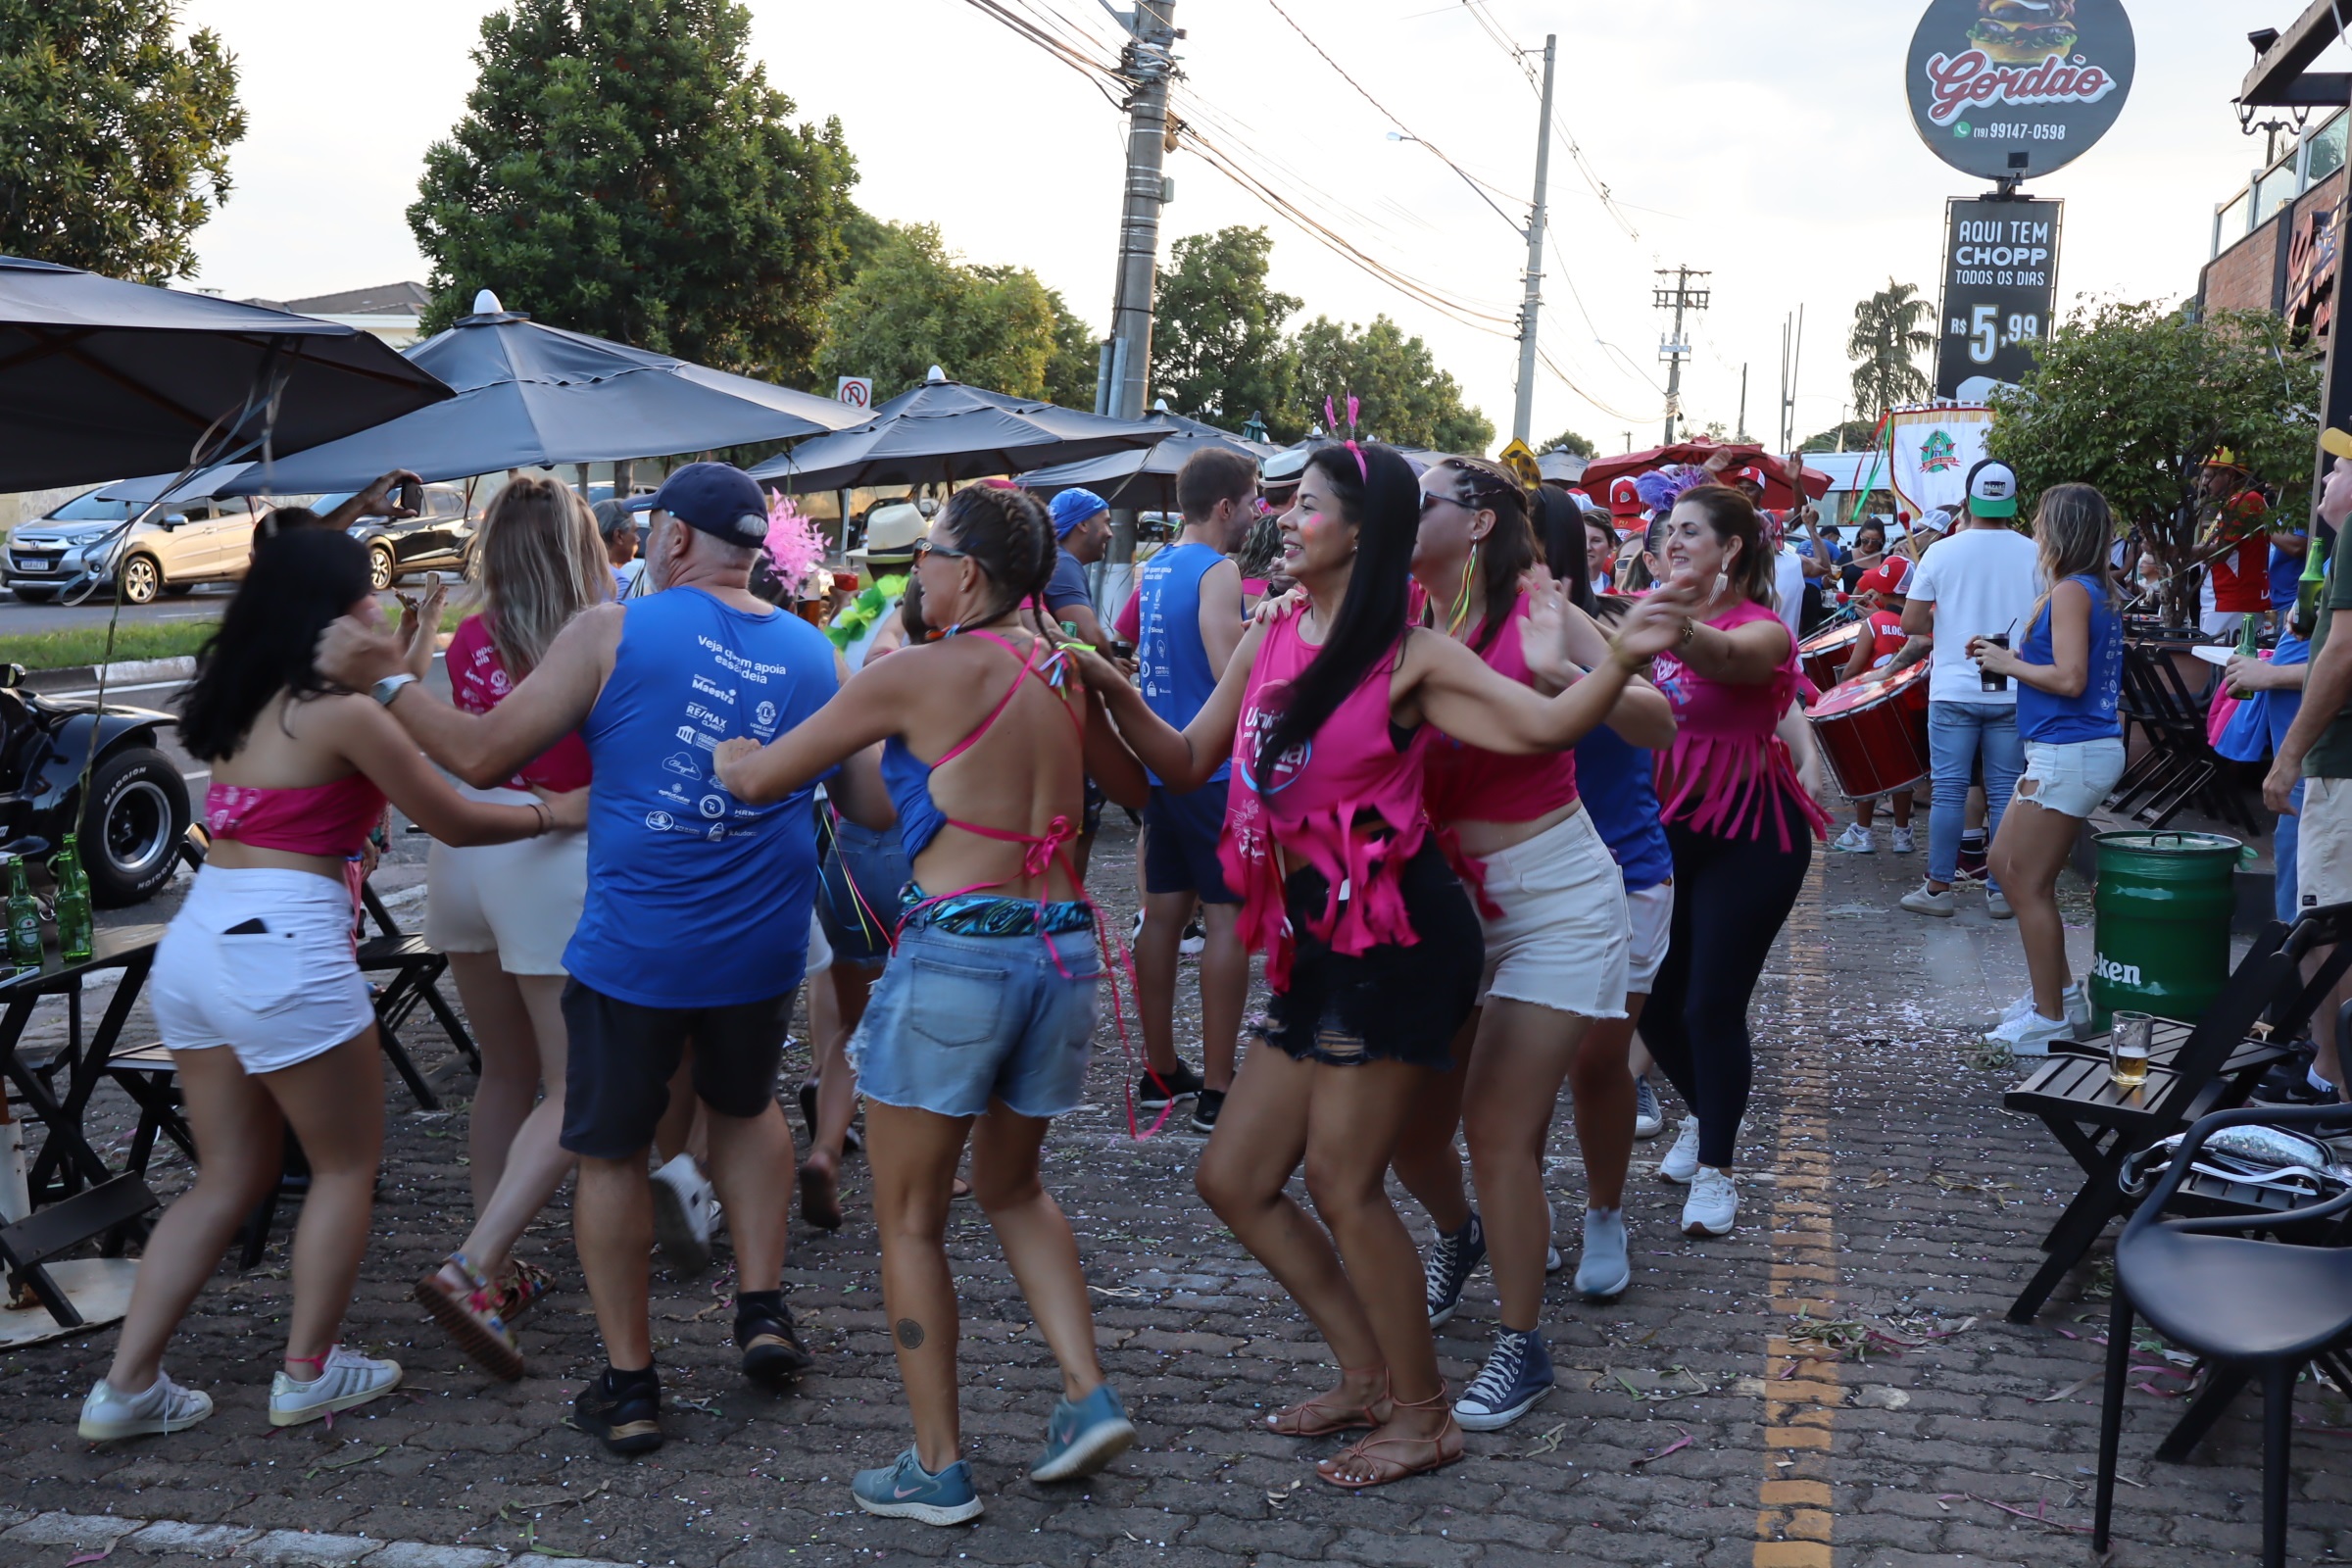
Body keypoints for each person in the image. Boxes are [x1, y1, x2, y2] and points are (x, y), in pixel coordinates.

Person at [1072, 443, 1696, 1489]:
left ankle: (1423, 1413)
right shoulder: (1270, 635)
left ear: (1361, 532)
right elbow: (1183, 760)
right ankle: (1367, 1373)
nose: (1282, 522)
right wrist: (1100, 684)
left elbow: (1545, 724)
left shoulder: (1409, 655)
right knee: (1232, 1176)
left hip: (1402, 938)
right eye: (1284, 505)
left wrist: (1616, 661)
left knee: (1343, 1179)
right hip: (1315, 943)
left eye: (1306, 507)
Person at [316, 463, 891, 1456]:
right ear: (751, 550)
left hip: (639, 946)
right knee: (746, 1108)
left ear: (669, 539)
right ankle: (762, 1309)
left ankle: (631, 1385)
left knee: (614, 1148)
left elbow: (485, 754)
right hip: (757, 941)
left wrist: (388, 678)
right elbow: (871, 805)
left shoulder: (612, 629)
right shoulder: (811, 650)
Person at [79, 529, 584, 1442]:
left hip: (199, 940)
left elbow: (378, 712)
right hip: (285, 943)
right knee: (347, 1164)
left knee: (226, 1175)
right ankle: (307, 1369)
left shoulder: (242, 699)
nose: (377, 611)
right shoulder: (344, 715)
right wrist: (557, 809)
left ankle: (125, 1387)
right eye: (368, 599)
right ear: (334, 613)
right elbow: (457, 817)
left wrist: (410, 647)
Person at [710, 483, 1150, 1525]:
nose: (917, 574)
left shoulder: (912, 672)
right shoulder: (1059, 670)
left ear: (973, 574)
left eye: (929, 556)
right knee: (1013, 1186)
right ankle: (1087, 1395)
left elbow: (768, 777)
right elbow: (1133, 788)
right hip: (1061, 952)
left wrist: (731, 756)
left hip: (960, 952)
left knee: (908, 1218)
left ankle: (936, 1465)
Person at [1386, 456, 1674, 1434]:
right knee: (1410, 1134)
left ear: (1474, 524)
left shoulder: (1535, 607)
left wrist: (1564, 669)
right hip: (1450, 909)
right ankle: (1463, 1236)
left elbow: (1654, 721)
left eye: (1421, 498)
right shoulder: (1400, 617)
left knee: (1496, 1128)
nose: (1401, 510)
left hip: (1555, 896)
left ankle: (1522, 1343)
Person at [412, 478, 610, 1380]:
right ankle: (477, 1265)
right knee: (577, 1084)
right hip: (547, 847)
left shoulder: (477, 638)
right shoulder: (598, 633)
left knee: (505, 1069)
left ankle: (496, 1259)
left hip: (464, 851)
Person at [1642, 485, 1833, 1239]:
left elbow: (1728, 661)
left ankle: (1718, 1168)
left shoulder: (1763, 630)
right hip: (1668, 828)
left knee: (1709, 1005)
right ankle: (1705, 1112)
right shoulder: (1644, 612)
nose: (1675, 540)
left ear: (1733, 549)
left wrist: (1664, 623)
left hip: (1755, 834)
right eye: (1670, 531)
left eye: (1693, 531)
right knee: (1651, 1004)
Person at [795, 500, 929, 1231]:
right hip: (904, 844)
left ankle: (825, 1146)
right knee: (905, 1018)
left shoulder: (845, 622)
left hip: (840, 842)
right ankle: (904, 1165)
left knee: (849, 1022)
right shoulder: (931, 645)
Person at [1971, 485, 2126, 1054]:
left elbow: (2069, 679)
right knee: (2004, 866)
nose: (2035, 532)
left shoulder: (2068, 592)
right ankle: (2058, 997)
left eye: (2040, 523)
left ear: (2058, 530)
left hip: (2070, 748)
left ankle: (2050, 1018)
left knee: (2025, 880)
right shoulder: (2093, 589)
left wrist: (2007, 662)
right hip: (2067, 748)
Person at [1131, 448, 1255, 1132]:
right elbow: (1223, 663)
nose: (1259, 513)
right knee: (1228, 919)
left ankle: (1159, 1070)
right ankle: (1217, 1086)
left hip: (1159, 768)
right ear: (1226, 507)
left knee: (1161, 916)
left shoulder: (1154, 565)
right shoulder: (1219, 569)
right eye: (1255, 499)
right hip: (1212, 770)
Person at [1889, 460, 2039, 921]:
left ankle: (1939, 889)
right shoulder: (2036, 552)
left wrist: (1952, 617)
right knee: (2003, 794)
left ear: (1968, 501)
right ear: (2012, 504)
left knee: (1950, 792)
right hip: (2013, 685)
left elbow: (1910, 623)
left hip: (1954, 687)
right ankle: (1999, 891)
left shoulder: (1941, 552)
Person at [2265, 452, 2352, 1102]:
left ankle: (2333, 1079)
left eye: (2340, 466)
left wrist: (2290, 754)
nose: (2327, 478)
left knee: (2328, 928)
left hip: (2342, 767)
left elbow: (2343, 653)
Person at [1827, 557, 1920, 856]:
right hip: (1909, 707)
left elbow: (1853, 670)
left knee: (1869, 768)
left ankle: (1863, 832)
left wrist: (1836, 692)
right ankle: (1902, 834)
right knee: (1904, 773)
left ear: (1887, 593)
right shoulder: (1922, 625)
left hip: (1873, 710)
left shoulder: (1874, 622)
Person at [1044, 488, 1112, 648]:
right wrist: (1112, 666)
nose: (1110, 534)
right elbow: (1090, 637)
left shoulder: (1054, 559)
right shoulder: (1063, 563)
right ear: (1083, 524)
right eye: (1106, 523)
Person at [593, 498, 643, 598]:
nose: (638, 539)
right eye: (635, 531)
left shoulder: (574, 572)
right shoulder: (618, 584)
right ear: (619, 535)